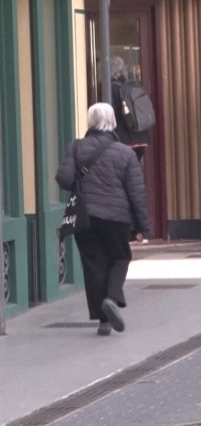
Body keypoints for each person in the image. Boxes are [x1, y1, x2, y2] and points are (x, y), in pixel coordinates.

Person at [55, 103, 149, 336]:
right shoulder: (126, 153)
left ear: (90, 122)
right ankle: (112, 298)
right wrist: (141, 227)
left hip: (85, 216)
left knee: (94, 264)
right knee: (120, 257)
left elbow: (63, 179)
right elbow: (136, 193)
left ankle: (103, 321)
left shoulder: (76, 147)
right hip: (116, 218)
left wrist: (80, 179)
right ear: (113, 122)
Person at [110, 56, 150, 162]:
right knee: (133, 170)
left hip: (124, 140)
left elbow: (111, 117)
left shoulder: (111, 89)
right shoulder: (132, 86)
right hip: (141, 137)